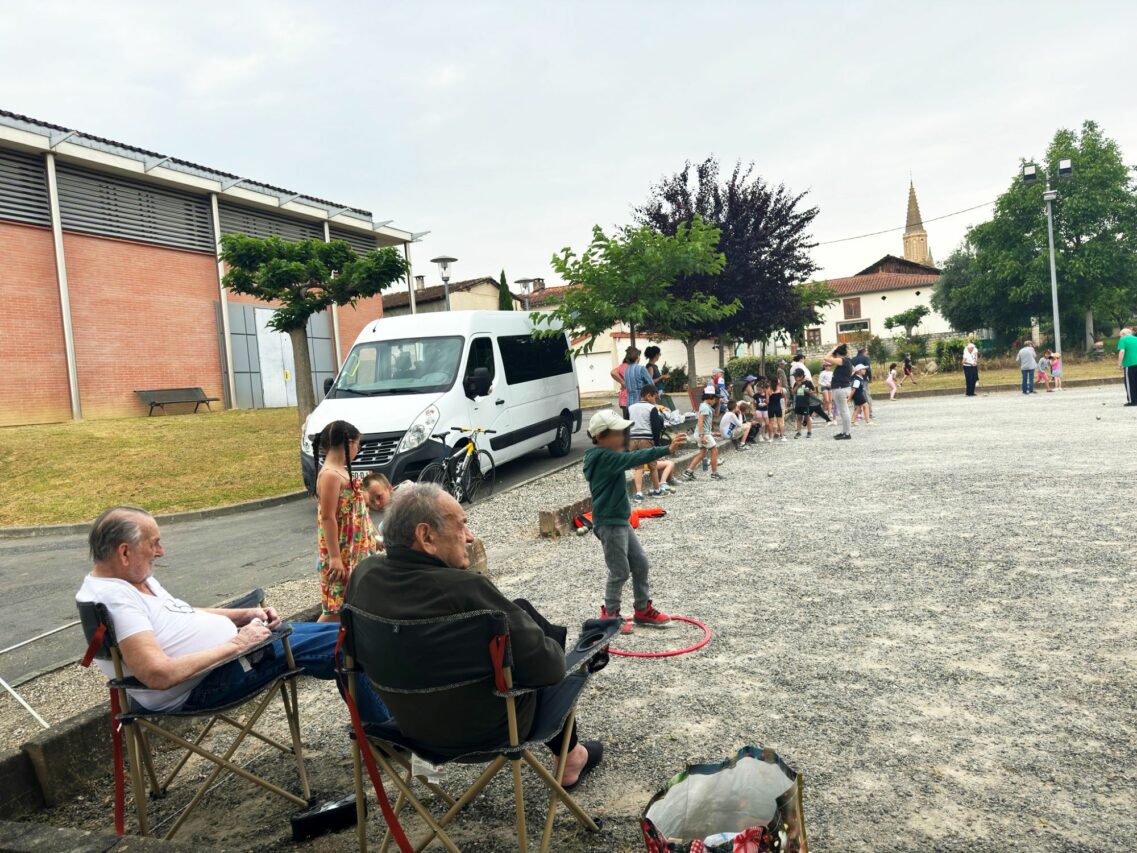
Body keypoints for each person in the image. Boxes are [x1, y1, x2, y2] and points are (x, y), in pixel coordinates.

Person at [345, 484, 602, 787]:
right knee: (537, 638)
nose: (469, 537)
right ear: (426, 536)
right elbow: (550, 669)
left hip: (409, 730)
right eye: (462, 524)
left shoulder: (363, 577)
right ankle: (571, 758)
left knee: (518, 615)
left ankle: (429, 777)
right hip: (490, 732)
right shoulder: (468, 592)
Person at [77, 506, 389, 722]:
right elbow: (159, 675)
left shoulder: (129, 579)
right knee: (345, 644)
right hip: (208, 682)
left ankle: (381, 719)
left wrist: (242, 615)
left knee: (344, 633)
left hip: (229, 658)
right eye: (154, 544)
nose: (160, 552)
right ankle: (385, 731)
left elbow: (179, 612)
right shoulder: (117, 600)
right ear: (124, 552)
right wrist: (239, 644)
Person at [584, 410, 687, 633]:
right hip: (609, 523)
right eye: (618, 433)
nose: (623, 436)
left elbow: (628, 457)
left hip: (620, 521)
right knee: (619, 570)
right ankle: (610, 615)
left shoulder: (607, 455)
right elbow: (633, 459)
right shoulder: (603, 457)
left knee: (640, 563)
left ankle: (642, 610)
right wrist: (666, 450)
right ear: (601, 436)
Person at [314, 421, 380, 623]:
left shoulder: (341, 471)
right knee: (335, 608)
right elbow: (328, 517)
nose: (358, 450)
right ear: (349, 443)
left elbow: (359, 512)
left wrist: (373, 535)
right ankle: (307, 641)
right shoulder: (330, 476)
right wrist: (334, 557)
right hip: (341, 551)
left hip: (353, 548)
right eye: (357, 445)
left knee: (350, 600)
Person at [628, 384, 667, 500]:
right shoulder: (652, 408)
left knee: (638, 467)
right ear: (648, 395)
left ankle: (639, 493)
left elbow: (626, 424)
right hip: (646, 439)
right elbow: (655, 428)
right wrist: (657, 443)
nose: (655, 400)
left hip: (632, 439)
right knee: (652, 466)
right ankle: (656, 490)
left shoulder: (630, 407)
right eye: (654, 397)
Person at [684, 389, 724, 479]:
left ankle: (688, 472)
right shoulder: (705, 407)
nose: (715, 400)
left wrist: (718, 403)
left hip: (701, 433)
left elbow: (716, 414)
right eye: (715, 398)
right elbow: (700, 421)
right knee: (714, 451)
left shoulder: (706, 406)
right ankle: (714, 473)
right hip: (703, 434)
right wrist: (702, 436)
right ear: (710, 397)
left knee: (702, 453)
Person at [611, 347, 652, 416]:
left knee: (629, 421)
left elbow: (613, 372)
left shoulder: (626, 369)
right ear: (637, 357)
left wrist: (622, 382)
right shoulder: (639, 368)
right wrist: (622, 382)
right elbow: (650, 383)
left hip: (628, 401)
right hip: (638, 401)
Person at [824, 343, 854, 440]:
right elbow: (853, 371)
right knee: (843, 411)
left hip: (841, 388)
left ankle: (847, 433)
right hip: (842, 387)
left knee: (844, 411)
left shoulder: (842, 360)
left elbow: (826, 358)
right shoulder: (848, 361)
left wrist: (833, 349)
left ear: (837, 354)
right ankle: (844, 432)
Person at [791, 368, 824, 438]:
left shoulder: (808, 383)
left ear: (801, 376)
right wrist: (797, 385)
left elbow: (814, 390)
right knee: (799, 418)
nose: (795, 378)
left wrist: (808, 391)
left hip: (805, 403)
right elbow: (793, 392)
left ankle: (809, 431)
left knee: (807, 417)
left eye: (796, 376)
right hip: (798, 403)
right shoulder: (795, 383)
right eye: (794, 376)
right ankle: (799, 432)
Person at [851, 347, 874, 421]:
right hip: (863, 379)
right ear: (864, 352)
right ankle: (869, 413)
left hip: (854, 379)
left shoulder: (853, 359)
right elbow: (868, 369)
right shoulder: (865, 358)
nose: (867, 352)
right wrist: (870, 378)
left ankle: (858, 414)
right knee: (866, 395)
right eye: (866, 351)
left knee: (856, 396)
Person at [1117, 328, 1137, 405]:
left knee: (1129, 382)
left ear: (1124, 334)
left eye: (1120, 336)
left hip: (1130, 363)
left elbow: (1122, 351)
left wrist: (1120, 363)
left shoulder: (1123, 339)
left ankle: (1132, 401)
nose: (1120, 337)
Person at [767, 375, 786, 441]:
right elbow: (783, 396)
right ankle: (783, 437)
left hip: (771, 407)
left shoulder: (768, 390)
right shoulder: (780, 388)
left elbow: (767, 401)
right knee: (780, 422)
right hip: (778, 406)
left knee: (770, 423)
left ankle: (770, 438)